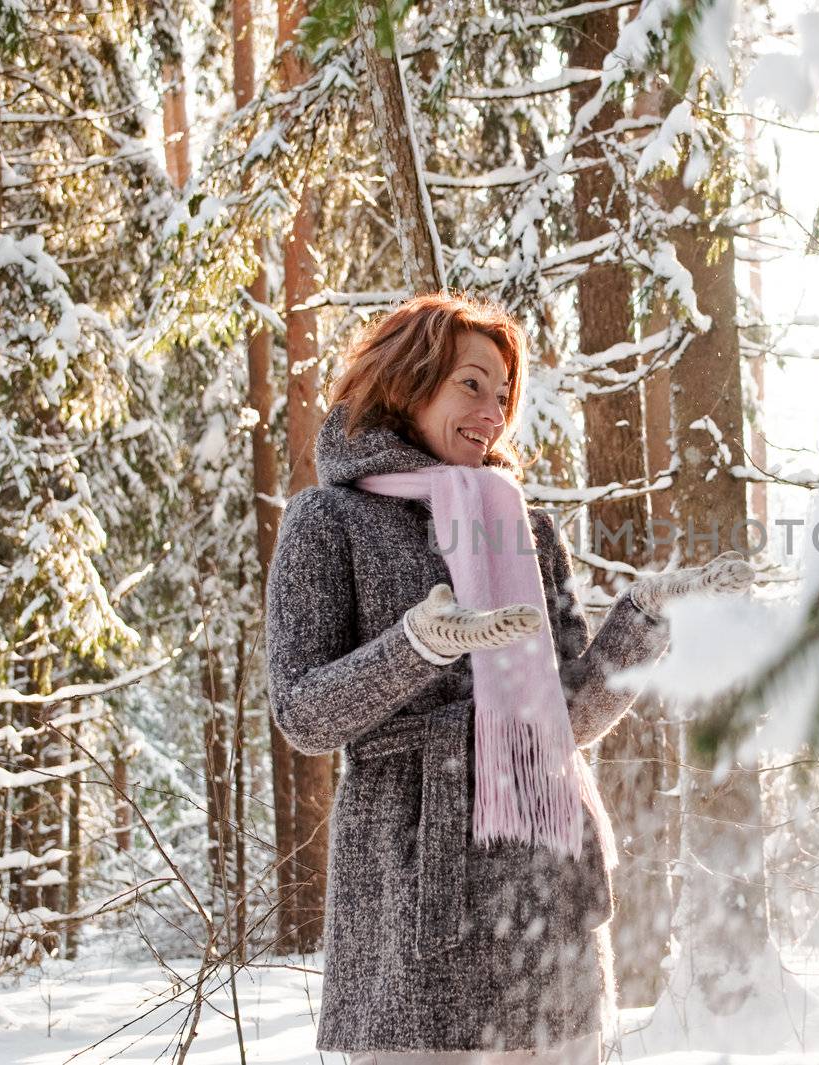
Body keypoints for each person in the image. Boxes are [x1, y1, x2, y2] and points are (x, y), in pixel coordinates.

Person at [263, 291, 755, 1064]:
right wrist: (415, 645)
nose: (493, 413)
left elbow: (566, 720)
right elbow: (302, 712)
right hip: (415, 900)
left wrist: (644, 621)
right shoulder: (329, 521)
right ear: (408, 379)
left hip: (542, 897)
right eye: (471, 384)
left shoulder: (523, 527)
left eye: (503, 395)